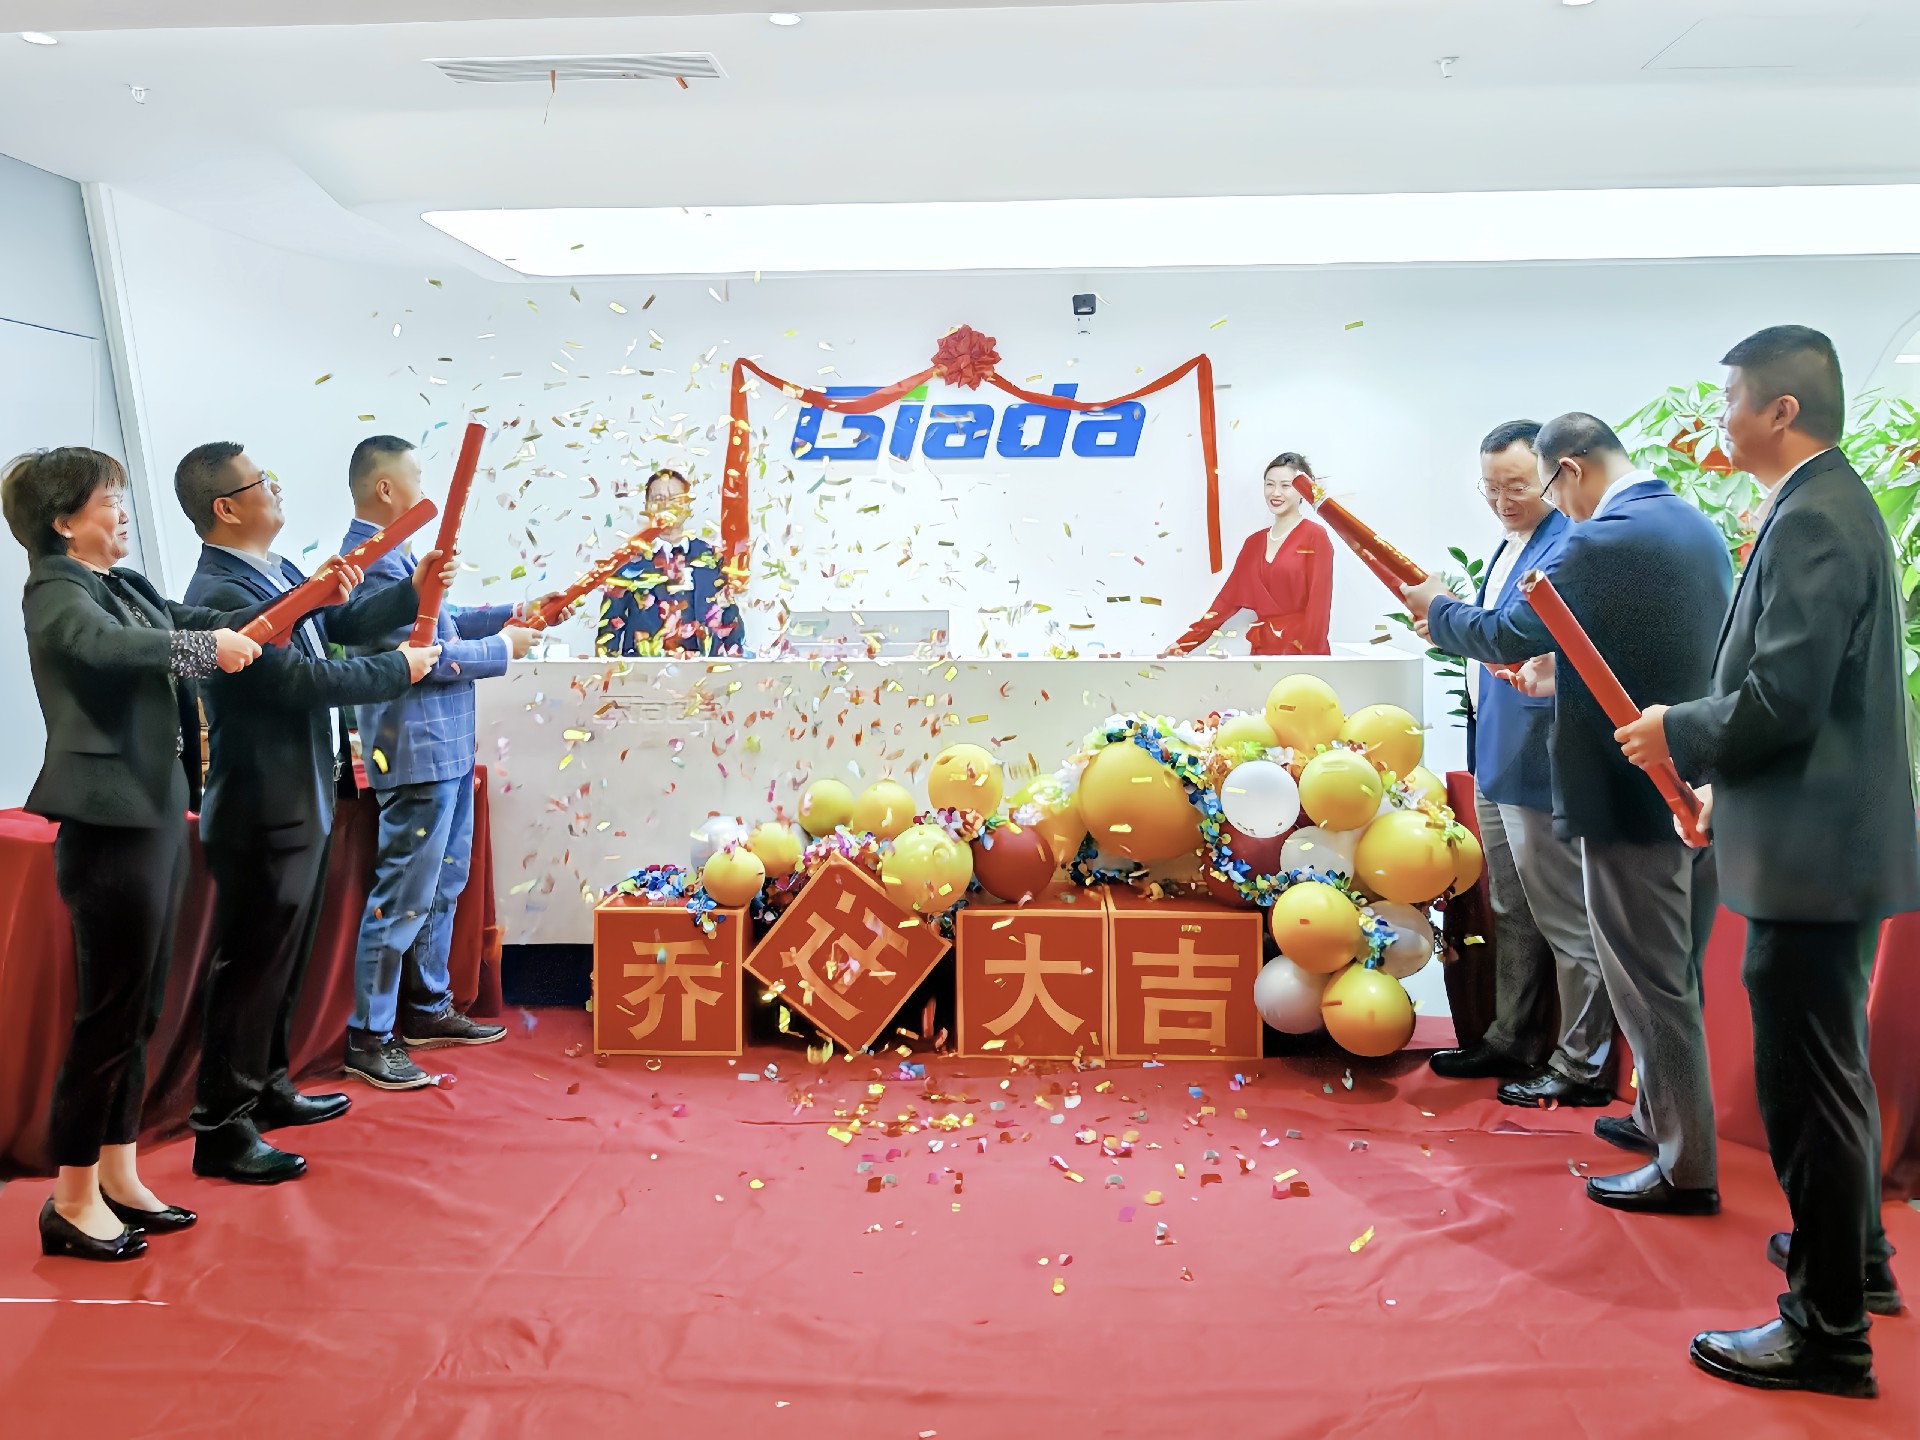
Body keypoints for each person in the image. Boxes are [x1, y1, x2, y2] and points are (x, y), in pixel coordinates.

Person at [1618, 326, 1913, 1398]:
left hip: (1814, 857)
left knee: (1808, 1084)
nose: (1721, 418)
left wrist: (1677, 732)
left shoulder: (1818, 516)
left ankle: (1826, 1332)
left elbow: (1784, 697)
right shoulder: (1820, 503)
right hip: (1816, 838)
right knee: (1831, 1068)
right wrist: (1718, 787)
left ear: (1780, 410)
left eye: (1733, 397)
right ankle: (1855, 1258)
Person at [1404, 413, 1730, 1216]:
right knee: (1670, 974)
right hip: (1690, 782)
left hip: (1630, 794)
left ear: (1570, 470)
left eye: (1544, 487)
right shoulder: (1690, 524)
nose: (1552, 507)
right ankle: (1657, 1119)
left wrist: (1437, 608)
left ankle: (1685, 1166)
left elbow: (1507, 631)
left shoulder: (1602, 538)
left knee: (1650, 984)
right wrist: (1563, 677)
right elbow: (1651, 650)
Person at [3, 447, 267, 1260]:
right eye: (107, 500)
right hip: (107, 826)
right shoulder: (57, 589)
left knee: (142, 1009)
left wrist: (319, 594)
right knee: (108, 1016)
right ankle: (69, 1197)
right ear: (63, 521)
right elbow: (108, 648)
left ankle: (117, 1173)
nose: (122, 512)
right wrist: (203, 652)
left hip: (153, 815)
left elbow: (196, 621)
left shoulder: (124, 585)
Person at [173, 442, 444, 1183]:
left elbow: (341, 626)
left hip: (302, 797)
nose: (276, 487)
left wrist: (412, 591)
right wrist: (399, 669)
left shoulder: (278, 569)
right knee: (250, 967)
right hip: (261, 804)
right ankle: (221, 1127)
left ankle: (268, 1087)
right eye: (262, 481)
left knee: (281, 961)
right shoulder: (218, 591)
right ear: (226, 507)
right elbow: (298, 679)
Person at [1425, 422, 1613, 1108]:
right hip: (1498, 752)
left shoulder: (1568, 545)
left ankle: (1582, 1064)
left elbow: (1516, 639)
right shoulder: (1511, 545)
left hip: (1541, 756)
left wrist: (1441, 613)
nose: (1503, 501)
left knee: (1563, 917)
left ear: (1554, 476)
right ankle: (1512, 1037)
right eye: (1490, 488)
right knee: (1510, 907)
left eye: (1516, 486)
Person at [338, 434, 527, 1089]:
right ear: (386, 488)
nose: (426, 491)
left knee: (442, 887)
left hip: (445, 748)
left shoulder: (399, 554)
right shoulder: (366, 562)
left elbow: (443, 623)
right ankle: (369, 1036)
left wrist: (509, 614)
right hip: (414, 749)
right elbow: (422, 659)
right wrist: (505, 648)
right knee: (402, 898)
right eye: (417, 478)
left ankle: (427, 1006)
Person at [1161, 452, 1333, 657]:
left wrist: (1311, 661)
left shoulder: (1315, 536)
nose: (1276, 492)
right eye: (1270, 484)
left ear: (1303, 489)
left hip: (1304, 652)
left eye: (1286, 486)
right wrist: (1183, 644)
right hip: (1263, 653)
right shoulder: (1253, 543)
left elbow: (1319, 608)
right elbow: (1224, 603)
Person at [598, 467, 745, 657]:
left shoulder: (712, 558)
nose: (666, 505)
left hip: (705, 668)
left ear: (687, 505)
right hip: (646, 670)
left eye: (675, 499)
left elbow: (730, 617)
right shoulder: (628, 561)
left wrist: (736, 662)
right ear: (647, 506)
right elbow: (609, 631)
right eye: (658, 499)